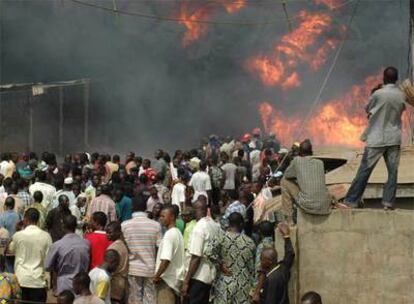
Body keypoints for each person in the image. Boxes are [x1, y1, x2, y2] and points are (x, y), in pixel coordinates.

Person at [343, 67, 407, 210]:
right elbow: (401, 109)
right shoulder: (401, 95)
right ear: (396, 79)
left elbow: (368, 109)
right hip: (393, 138)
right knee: (392, 172)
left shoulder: (377, 94)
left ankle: (351, 201)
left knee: (364, 170)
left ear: (384, 78)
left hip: (376, 138)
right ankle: (388, 203)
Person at [205, 212, 256, 304]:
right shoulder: (250, 243)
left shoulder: (221, 238)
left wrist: (220, 264)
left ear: (229, 223)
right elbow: (252, 269)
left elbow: (207, 252)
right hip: (243, 285)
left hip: (224, 284)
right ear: (241, 224)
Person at [121, 195, 161, 304]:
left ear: (132, 207)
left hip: (133, 268)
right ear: (146, 207)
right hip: (150, 267)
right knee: (150, 298)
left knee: (134, 298)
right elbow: (159, 248)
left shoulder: (125, 225)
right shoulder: (156, 225)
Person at [281, 139, 331, 224]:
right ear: (311, 151)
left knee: (284, 181)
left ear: (300, 151)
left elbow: (287, 175)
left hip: (308, 204)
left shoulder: (297, 161)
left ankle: (289, 220)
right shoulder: (320, 163)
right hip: (325, 205)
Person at [8, 208, 52, 304]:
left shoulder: (18, 235)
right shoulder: (46, 236)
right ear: (38, 220)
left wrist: (17, 231)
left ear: (25, 219)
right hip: (38, 281)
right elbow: (49, 260)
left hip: (21, 280)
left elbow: (10, 250)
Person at [182, 200, 220, 304]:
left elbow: (196, 257)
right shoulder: (215, 225)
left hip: (198, 277)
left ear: (196, 211)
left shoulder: (199, 227)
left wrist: (186, 281)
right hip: (210, 275)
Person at [45, 215, 90, 295]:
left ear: (63, 226)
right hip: (82, 286)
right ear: (75, 226)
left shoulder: (57, 245)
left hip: (64, 285)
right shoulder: (86, 243)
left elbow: (47, 266)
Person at [153, 205, 185, 304]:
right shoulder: (178, 233)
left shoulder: (169, 235)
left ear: (172, 217)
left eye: (163, 216)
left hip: (166, 281)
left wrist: (156, 276)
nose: (160, 218)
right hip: (174, 281)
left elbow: (166, 259)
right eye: (160, 216)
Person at [257, 223, 295, 304]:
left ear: (269, 262)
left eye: (262, 259)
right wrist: (286, 236)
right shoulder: (282, 269)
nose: (260, 262)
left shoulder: (271, 279)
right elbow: (290, 255)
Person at [106, 222, 128, 304]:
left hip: (115, 284)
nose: (107, 235)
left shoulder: (114, 247)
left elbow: (109, 267)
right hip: (122, 283)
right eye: (107, 232)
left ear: (118, 232)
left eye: (110, 232)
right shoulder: (122, 244)